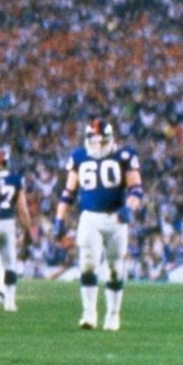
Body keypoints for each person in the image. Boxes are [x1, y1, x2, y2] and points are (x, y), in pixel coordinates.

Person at [55, 117, 144, 331]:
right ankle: (89, 314)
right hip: (90, 217)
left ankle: (113, 315)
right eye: (94, 141)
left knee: (114, 268)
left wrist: (129, 208)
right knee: (87, 264)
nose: (98, 145)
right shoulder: (78, 157)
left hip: (115, 217)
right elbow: (68, 192)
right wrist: (59, 218)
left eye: (102, 141)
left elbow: (136, 190)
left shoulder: (125, 155)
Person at [0, 146, 37, 312]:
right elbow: (22, 209)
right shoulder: (15, 179)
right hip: (7, 222)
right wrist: (27, 230)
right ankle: (10, 302)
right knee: (9, 263)